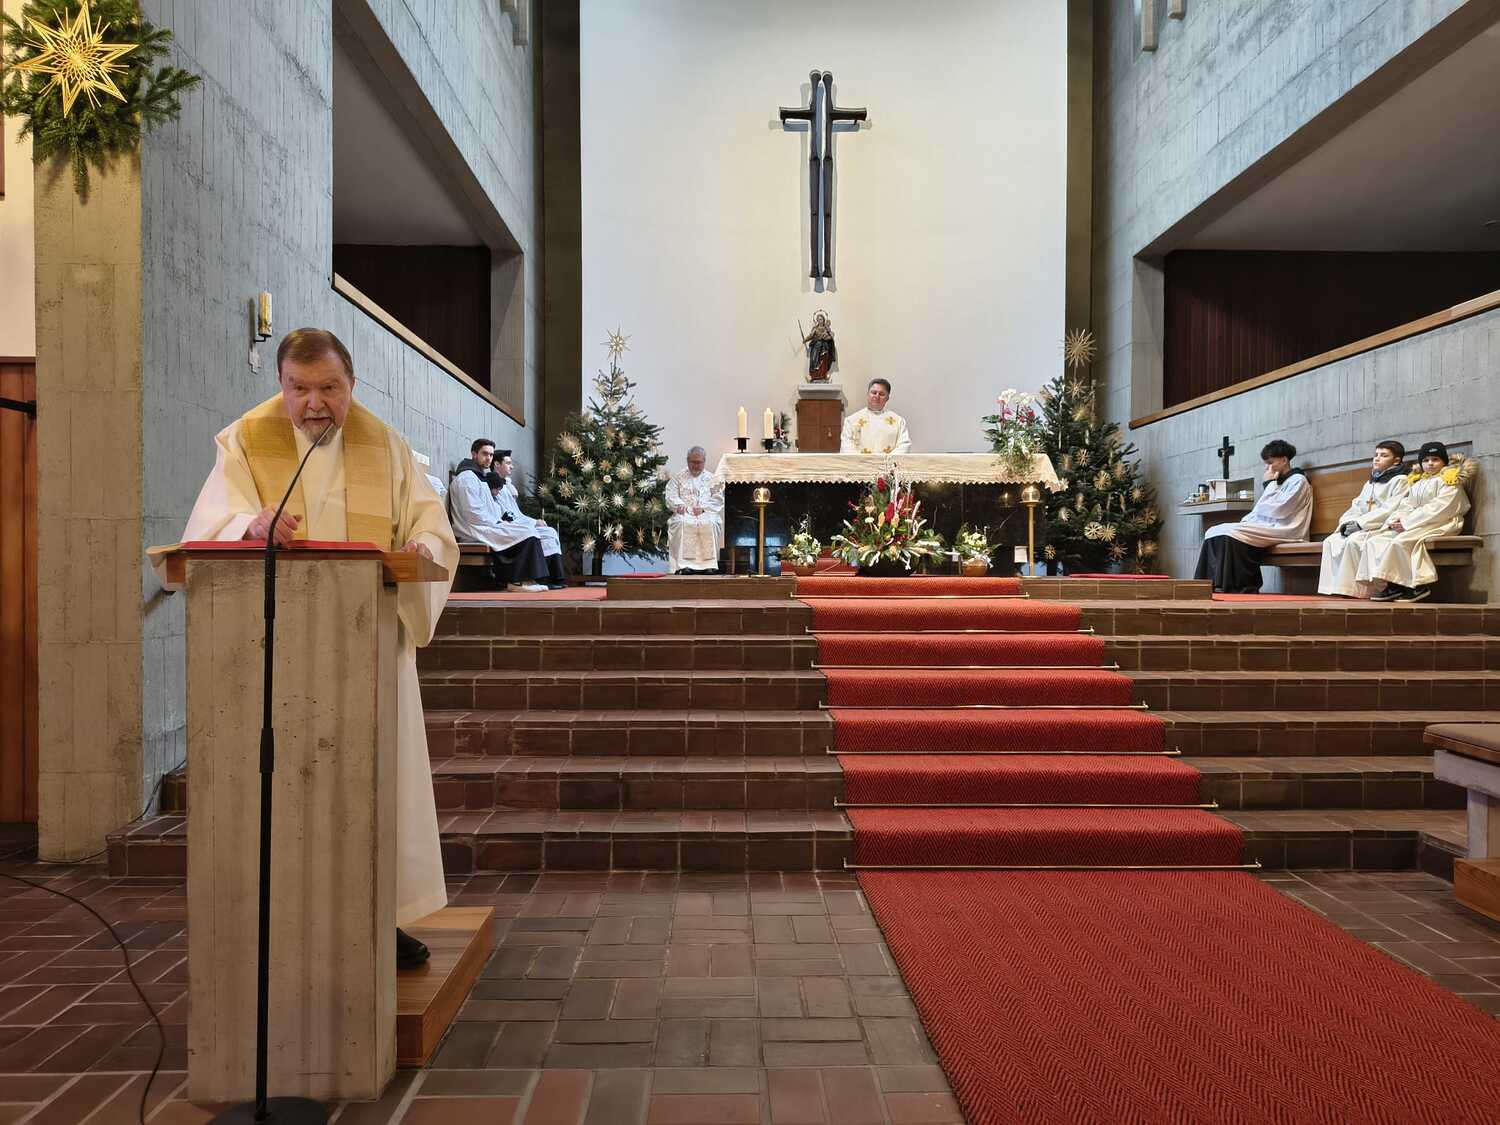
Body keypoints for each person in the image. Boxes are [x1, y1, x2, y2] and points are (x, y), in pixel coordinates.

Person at [170, 328, 456, 971]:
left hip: (370, 646)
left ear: (351, 385)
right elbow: (209, 526)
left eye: (329, 388)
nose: (314, 404)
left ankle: (377, 919)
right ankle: (281, 923)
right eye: (299, 389)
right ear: (281, 384)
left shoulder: (386, 445)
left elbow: (430, 525)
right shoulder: (246, 441)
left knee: (373, 785)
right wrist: (249, 527)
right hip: (276, 654)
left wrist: (421, 550)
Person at [1194, 439, 1313, 594]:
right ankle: (1209, 586)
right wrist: (1246, 522)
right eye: (1266, 463)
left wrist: (1269, 484)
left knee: (1231, 533)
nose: (1267, 467)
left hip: (1286, 529)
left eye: (1270, 462)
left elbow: (1279, 510)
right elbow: (1261, 510)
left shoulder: (1298, 480)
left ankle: (1238, 587)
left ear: (1284, 460)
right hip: (1269, 527)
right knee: (1214, 530)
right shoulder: (1279, 482)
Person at [1361, 441, 1472, 603]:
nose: (1430, 463)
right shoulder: (1419, 482)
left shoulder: (1449, 480)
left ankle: (1417, 586)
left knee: (1401, 541)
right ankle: (1392, 585)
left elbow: (1438, 508)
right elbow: (1406, 505)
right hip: (1418, 522)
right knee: (1376, 541)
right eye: (1426, 460)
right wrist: (1395, 520)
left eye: (1435, 459)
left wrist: (1406, 523)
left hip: (1443, 522)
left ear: (1444, 462)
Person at [448, 440, 558, 591]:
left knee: (528, 531)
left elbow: (490, 508)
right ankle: (517, 582)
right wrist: (499, 522)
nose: (488, 458)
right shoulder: (467, 478)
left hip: (485, 524)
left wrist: (500, 521)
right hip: (473, 528)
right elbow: (472, 513)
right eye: (485, 454)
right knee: (526, 532)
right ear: (474, 454)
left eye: (491, 455)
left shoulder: (478, 476)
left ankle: (528, 579)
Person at [1317, 441, 1410, 598]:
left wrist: (1360, 524)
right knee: (1331, 541)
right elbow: (1357, 506)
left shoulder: (1400, 480)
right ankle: (1337, 587)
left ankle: (1361, 590)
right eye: (1376, 455)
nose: (1377, 458)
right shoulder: (1371, 482)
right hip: (1364, 525)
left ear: (1396, 461)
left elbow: (1389, 509)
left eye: (1384, 455)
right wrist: (1348, 523)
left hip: (1380, 527)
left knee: (1354, 541)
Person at [488, 450, 566, 589]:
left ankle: (555, 578)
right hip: (505, 527)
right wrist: (534, 523)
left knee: (549, 532)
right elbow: (507, 515)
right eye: (508, 463)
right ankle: (540, 578)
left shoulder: (505, 487)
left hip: (516, 523)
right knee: (535, 533)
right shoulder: (491, 485)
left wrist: (535, 521)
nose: (512, 466)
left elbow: (517, 514)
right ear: (497, 465)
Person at [666, 446, 725, 573]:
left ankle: (709, 565)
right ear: (688, 460)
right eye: (693, 462)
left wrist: (704, 508)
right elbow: (671, 494)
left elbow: (718, 498)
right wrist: (679, 505)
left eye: (699, 462)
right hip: (685, 512)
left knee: (712, 522)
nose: (696, 465)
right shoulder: (678, 477)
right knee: (680, 522)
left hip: (705, 512)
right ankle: (684, 566)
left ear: (704, 461)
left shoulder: (712, 479)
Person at [840, 378, 912, 455]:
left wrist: (886, 460)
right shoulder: (851, 421)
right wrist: (864, 461)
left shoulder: (899, 421)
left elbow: (904, 445)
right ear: (867, 394)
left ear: (887, 398)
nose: (877, 396)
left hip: (888, 462)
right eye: (874, 392)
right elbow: (846, 446)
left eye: (881, 394)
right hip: (860, 462)